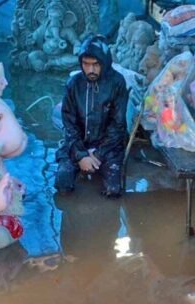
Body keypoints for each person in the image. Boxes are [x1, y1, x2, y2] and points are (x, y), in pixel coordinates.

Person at [55, 35, 128, 198]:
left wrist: (97, 155)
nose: (90, 70)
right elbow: (69, 124)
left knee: (114, 190)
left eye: (95, 64)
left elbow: (118, 126)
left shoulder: (117, 82)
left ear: (105, 63)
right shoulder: (73, 84)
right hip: (77, 143)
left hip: (108, 146)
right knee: (62, 184)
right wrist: (81, 155)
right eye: (86, 64)